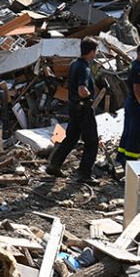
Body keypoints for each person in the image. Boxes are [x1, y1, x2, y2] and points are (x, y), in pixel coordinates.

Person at [46, 37, 100, 185]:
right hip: (83, 108)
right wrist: (88, 95)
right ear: (91, 51)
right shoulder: (84, 67)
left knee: (71, 138)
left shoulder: (75, 64)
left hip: (73, 108)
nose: (96, 54)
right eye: (95, 51)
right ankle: (85, 173)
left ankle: (54, 164)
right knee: (92, 142)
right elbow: (82, 89)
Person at [116, 43, 140, 166]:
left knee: (128, 131)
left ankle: (121, 159)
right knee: (136, 134)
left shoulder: (136, 65)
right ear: (139, 53)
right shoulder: (138, 69)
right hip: (136, 105)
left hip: (131, 103)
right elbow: (138, 91)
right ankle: (131, 163)